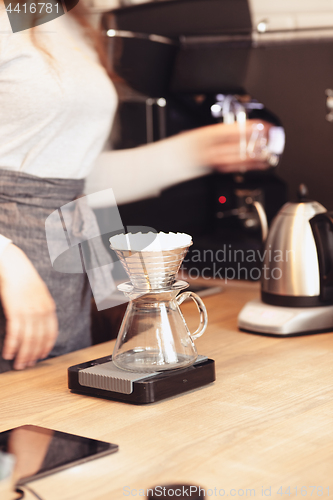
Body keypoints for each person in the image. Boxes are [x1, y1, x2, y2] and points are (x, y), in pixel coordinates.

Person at [0, 0, 272, 372]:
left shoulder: (63, 18)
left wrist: (198, 152)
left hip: (59, 269)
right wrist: (7, 262)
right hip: (13, 274)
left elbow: (67, 177)